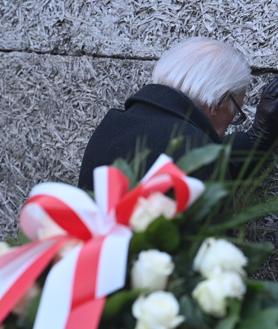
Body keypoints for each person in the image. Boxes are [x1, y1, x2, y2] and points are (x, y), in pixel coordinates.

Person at [78, 37, 278, 191]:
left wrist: (258, 135)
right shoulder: (193, 149)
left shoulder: (111, 126)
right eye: (236, 114)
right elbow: (212, 244)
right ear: (217, 103)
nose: (226, 130)